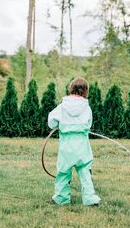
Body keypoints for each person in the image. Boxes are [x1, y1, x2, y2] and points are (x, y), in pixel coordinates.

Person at [48, 77, 101, 206]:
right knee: (85, 172)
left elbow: (51, 122)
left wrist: (60, 125)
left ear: (70, 88)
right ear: (85, 91)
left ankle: (61, 198)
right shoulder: (87, 108)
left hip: (66, 145)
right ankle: (90, 199)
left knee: (63, 172)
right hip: (82, 145)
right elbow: (88, 124)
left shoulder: (62, 106)